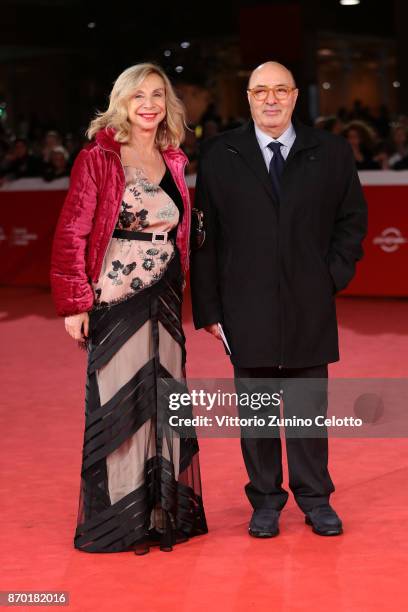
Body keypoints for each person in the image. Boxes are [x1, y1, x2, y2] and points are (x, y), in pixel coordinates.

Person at [191, 61, 367, 538]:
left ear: (294, 97)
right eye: (260, 91)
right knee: (258, 411)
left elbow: (351, 222)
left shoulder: (330, 152)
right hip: (244, 305)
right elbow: (205, 238)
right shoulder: (218, 153)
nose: (270, 99)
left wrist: (329, 277)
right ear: (247, 97)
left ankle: (315, 499)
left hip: (310, 302)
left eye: (280, 90)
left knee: (309, 408)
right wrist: (208, 309)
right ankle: (265, 500)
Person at [50, 63, 208, 554]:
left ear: (167, 104)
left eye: (158, 94)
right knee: (121, 402)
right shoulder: (98, 157)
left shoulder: (173, 156)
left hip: (165, 292)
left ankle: (162, 509)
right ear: (121, 101)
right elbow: (72, 233)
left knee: (164, 399)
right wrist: (74, 303)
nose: (149, 103)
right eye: (138, 94)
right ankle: (123, 516)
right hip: (116, 295)